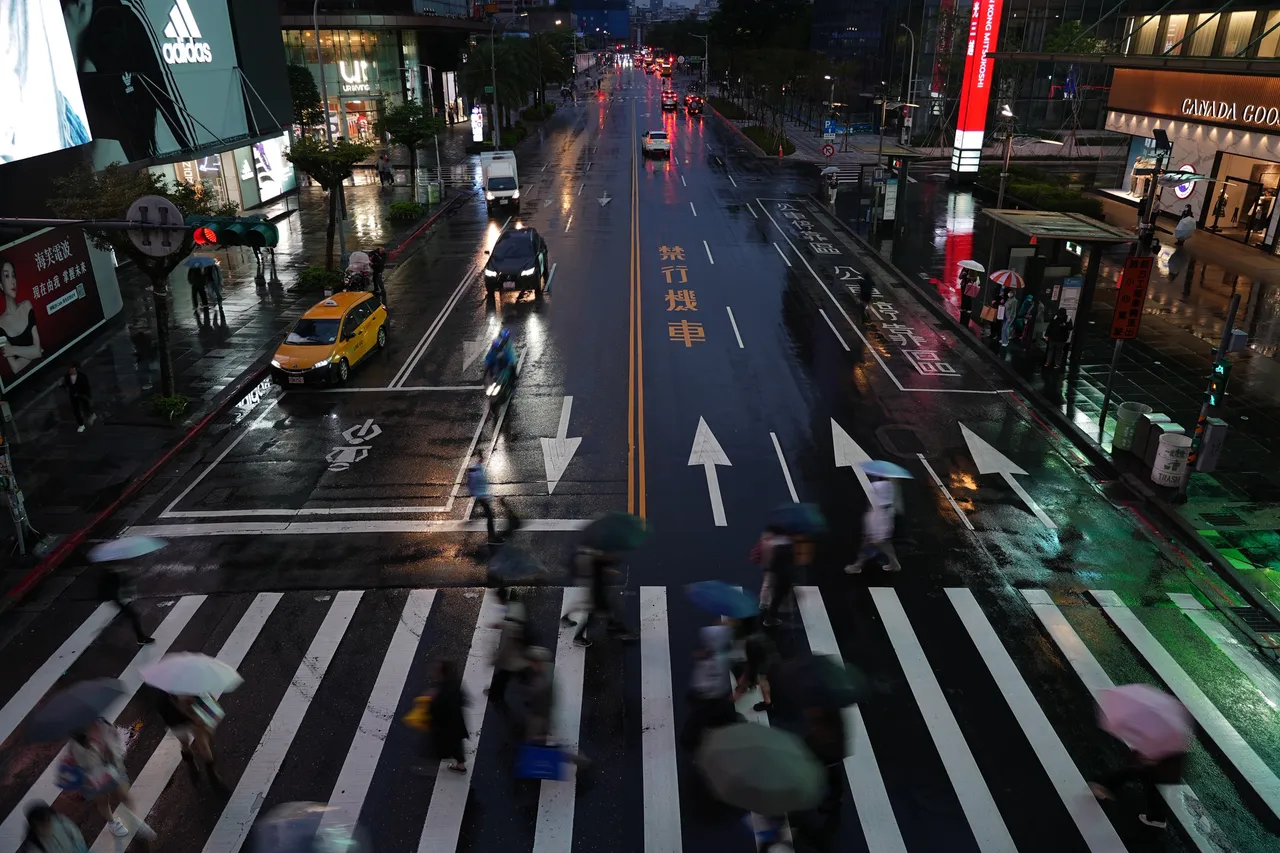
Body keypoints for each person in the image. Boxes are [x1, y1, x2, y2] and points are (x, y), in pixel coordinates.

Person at [65, 719, 153, 839]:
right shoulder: (76, 744)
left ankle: (132, 819)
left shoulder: (102, 724)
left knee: (125, 796)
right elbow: (81, 764)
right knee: (103, 801)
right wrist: (90, 747)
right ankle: (112, 823)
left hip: (114, 766)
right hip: (95, 778)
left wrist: (115, 752)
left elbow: (115, 739)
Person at [1090, 748, 1185, 829]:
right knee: (1152, 777)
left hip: (1160, 752)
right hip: (1171, 756)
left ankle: (1106, 785)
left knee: (1144, 772)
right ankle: (1157, 817)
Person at [572, 547, 636, 647]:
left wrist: (610, 571)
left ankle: (613, 628)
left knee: (601, 612)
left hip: (598, 590)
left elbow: (600, 568)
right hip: (597, 592)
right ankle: (617, 630)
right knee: (600, 612)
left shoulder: (595, 562)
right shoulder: (594, 562)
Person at [845, 474, 901, 573]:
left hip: (877, 517)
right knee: (882, 542)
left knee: (871, 541)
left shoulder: (875, 486)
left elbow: (870, 500)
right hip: (886, 516)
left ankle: (857, 566)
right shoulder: (890, 486)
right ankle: (894, 563)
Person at [422, 659, 468, 774]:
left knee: (441, 745)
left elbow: (437, 711)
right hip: (456, 724)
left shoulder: (443, 692)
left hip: (445, 726)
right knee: (456, 745)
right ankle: (460, 765)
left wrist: (433, 699)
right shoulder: (454, 683)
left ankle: (433, 764)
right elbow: (463, 700)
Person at [488, 590, 530, 710]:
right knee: (509, 675)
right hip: (523, 645)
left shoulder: (509, 625)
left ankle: (495, 694)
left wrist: (496, 659)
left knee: (505, 675)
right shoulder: (518, 606)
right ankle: (495, 692)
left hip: (514, 653)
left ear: (500, 599)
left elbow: (506, 645)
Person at [0, 256, 43, 373]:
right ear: (1, 285)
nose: (13, 281)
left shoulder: (26, 306)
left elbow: (38, 351)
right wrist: (33, 351)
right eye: (7, 276)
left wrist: (13, 350)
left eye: (13, 275)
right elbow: (15, 367)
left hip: (43, 370)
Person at [467, 453, 518, 545]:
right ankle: (491, 537)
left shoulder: (478, 468)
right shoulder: (474, 472)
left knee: (489, 515)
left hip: (483, 496)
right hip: (482, 498)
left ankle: (478, 518)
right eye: (480, 457)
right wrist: (482, 496)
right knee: (490, 516)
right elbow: (473, 487)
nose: (482, 459)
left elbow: (481, 485)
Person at [97, 564, 153, 645]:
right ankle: (141, 638)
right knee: (134, 614)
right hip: (115, 597)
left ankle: (140, 636)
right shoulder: (111, 574)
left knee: (130, 614)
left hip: (116, 596)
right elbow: (116, 587)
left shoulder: (111, 571)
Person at [758, 526, 797, 627]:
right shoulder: (787, 548)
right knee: (776, 596)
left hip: (777, 574)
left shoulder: (775, 547)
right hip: (783, 577)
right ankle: (769, 614)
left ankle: (765, 606)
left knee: (771, 590)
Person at [19, 801, 86, 853]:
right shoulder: (33, 846)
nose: (47, 826)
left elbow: (75, 834)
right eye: (42, 825)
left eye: (47, 822)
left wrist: (80, 847)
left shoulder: (59, 820)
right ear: (35, 826)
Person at [62, 363, 93, 432]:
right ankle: (81, 424)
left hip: (81, 394)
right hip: (73, 396)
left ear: (75, 369)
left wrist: (86, 394)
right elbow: (66, 384)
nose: (70, 370)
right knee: (76, 410)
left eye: (71, 369)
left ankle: (90, 415)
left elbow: (86, 386)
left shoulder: (82, 376)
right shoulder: (67, 376)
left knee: (85, 407)